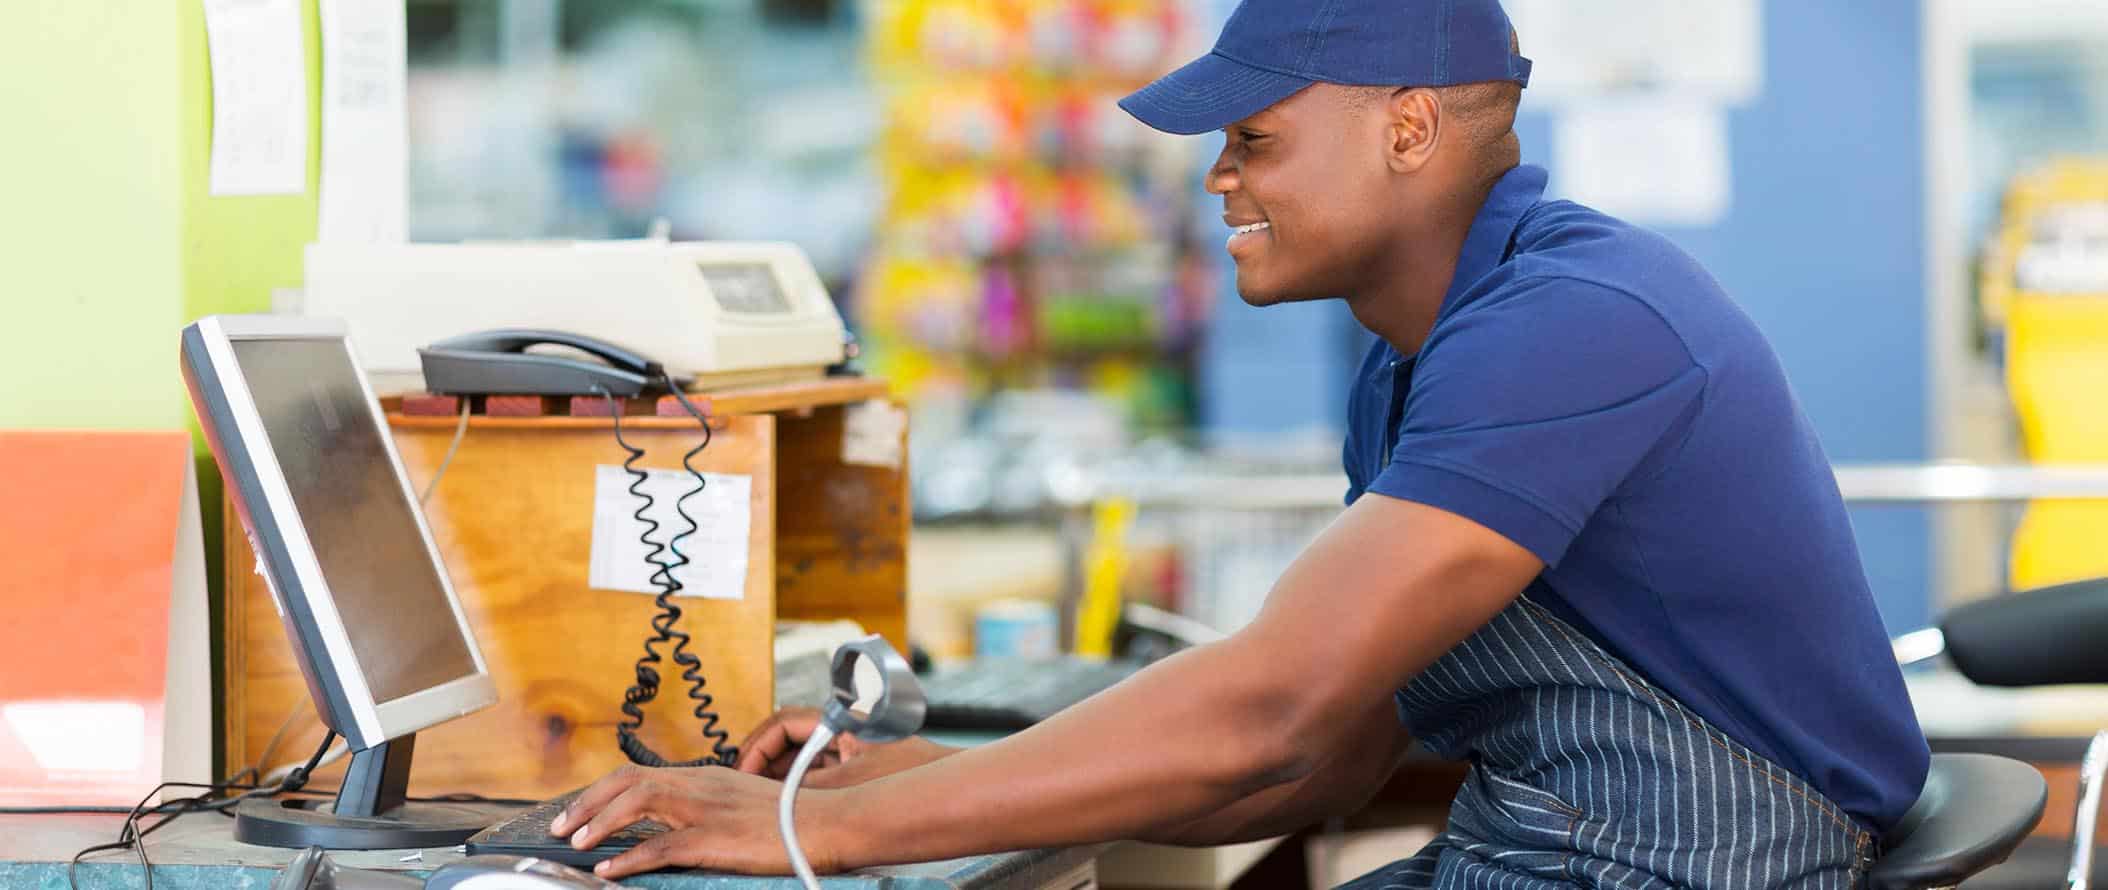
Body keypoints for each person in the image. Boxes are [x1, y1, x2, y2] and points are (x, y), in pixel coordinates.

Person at [548, 1, 1930, 886]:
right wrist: (897, 777)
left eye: (1255, 139)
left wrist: (813, 833)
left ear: (1406, 130)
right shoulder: (1413, 372)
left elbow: (1272, 704)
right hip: (1559, 848)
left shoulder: (1575, 323)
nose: (1219, 176)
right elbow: (1318, 749)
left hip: (1703, 867)